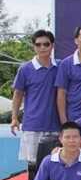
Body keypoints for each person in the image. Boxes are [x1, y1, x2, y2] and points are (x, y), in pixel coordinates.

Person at [11, 30, 61, 169]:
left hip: (56, 125)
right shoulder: (25, 69)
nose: (42, 47)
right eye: (38, 44)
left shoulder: (61, 67)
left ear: (53, 45)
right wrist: (14, 117)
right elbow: (18, 94)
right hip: (33, 125)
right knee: (34, 166)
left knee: (56, 165)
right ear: (33, 46)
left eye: (46, 44)